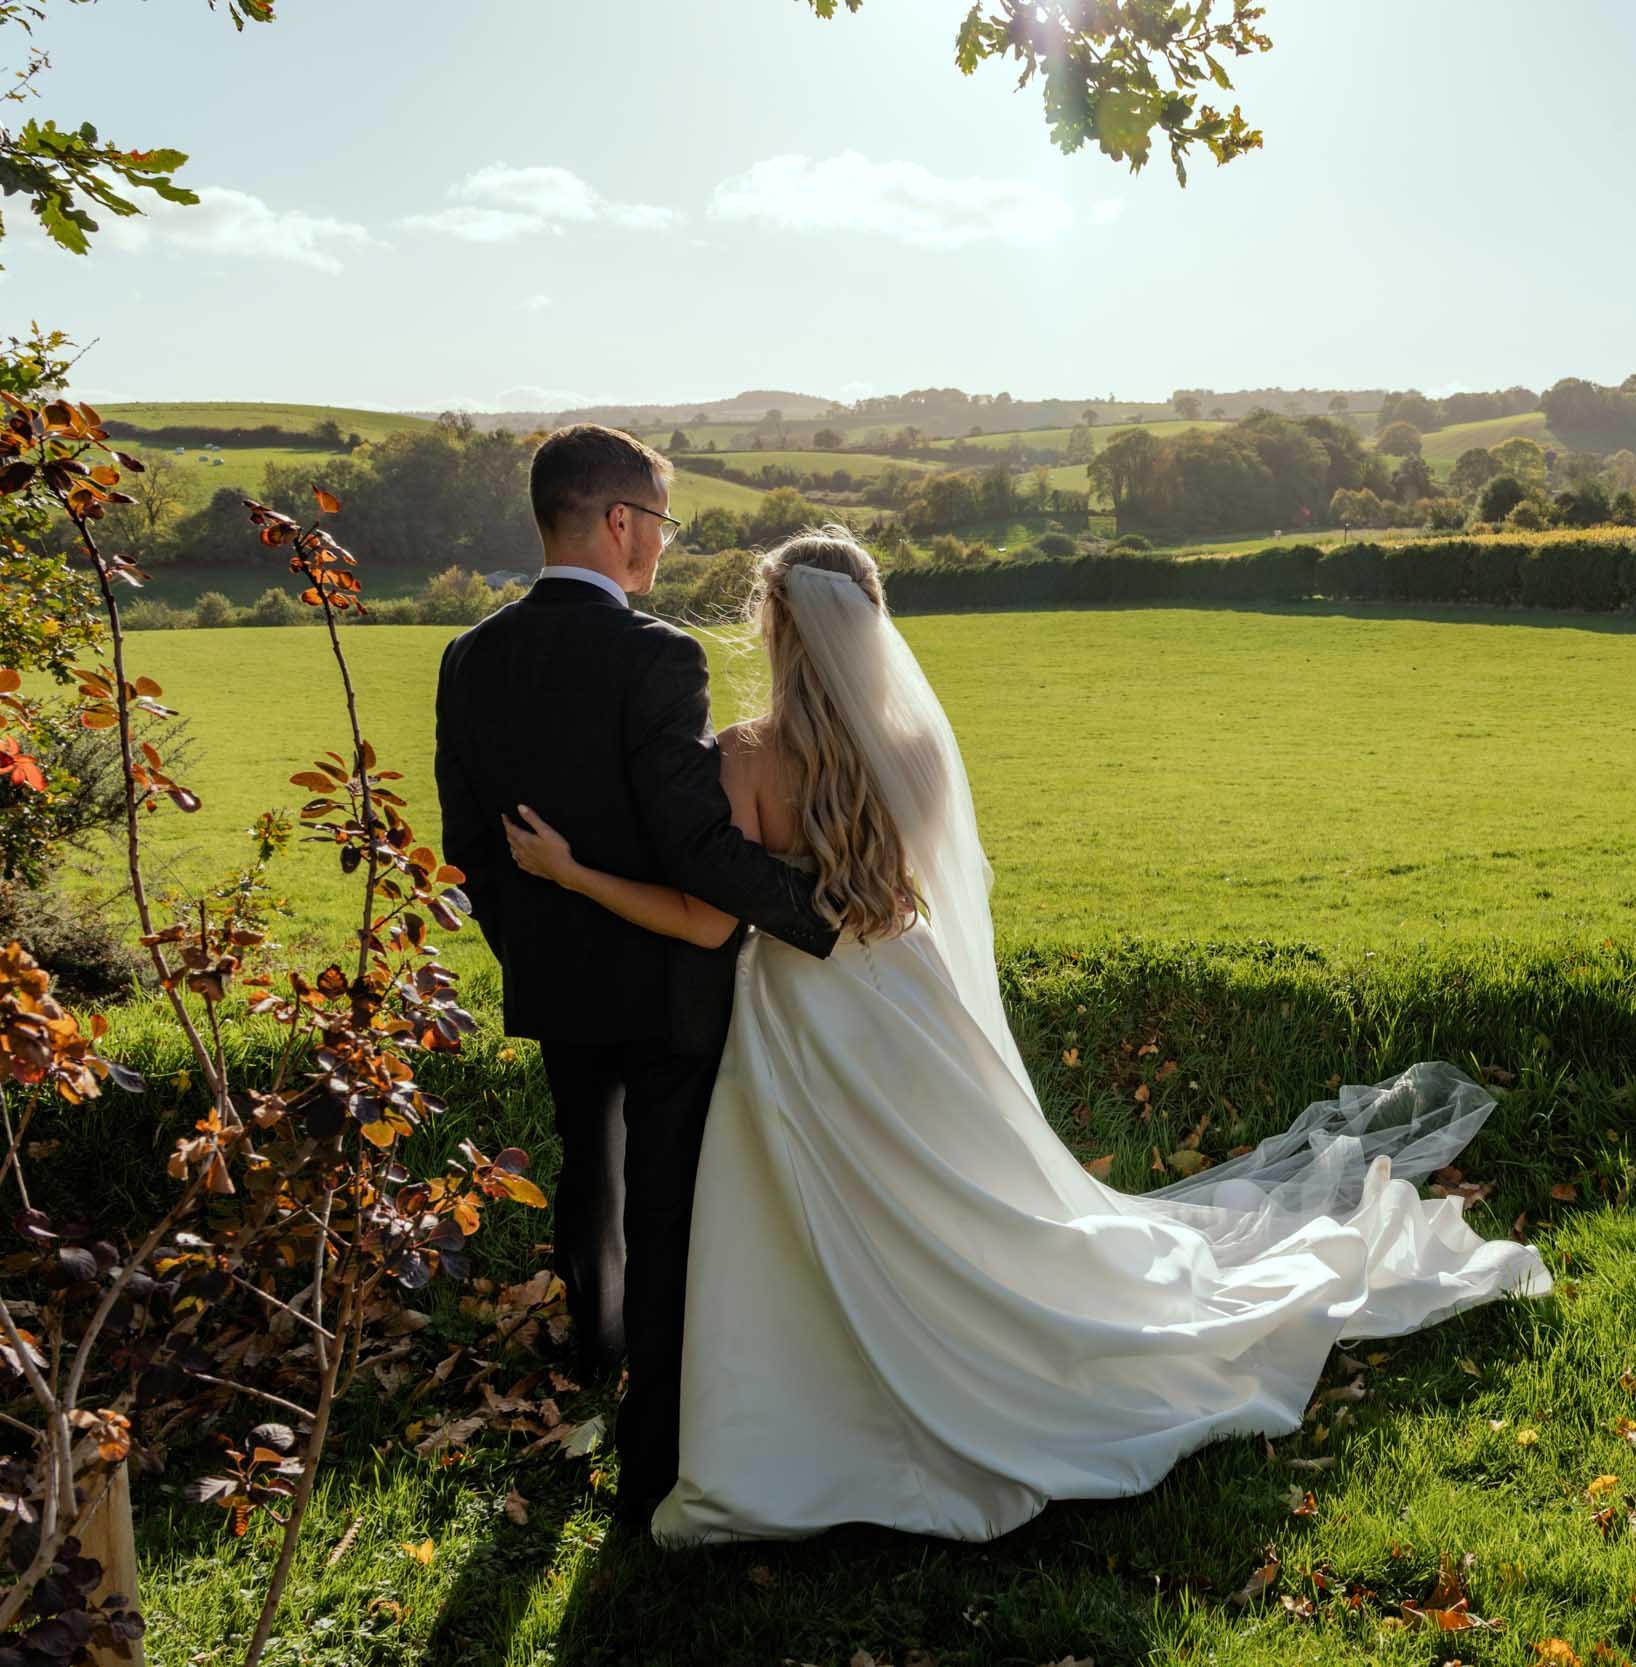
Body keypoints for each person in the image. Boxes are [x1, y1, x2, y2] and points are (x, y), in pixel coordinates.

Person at [500, 525, 1550, 1543]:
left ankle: (817, 1402)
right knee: (957, 1195)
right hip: (909, 1003)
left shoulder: (746, 757)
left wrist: (574, 873)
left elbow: (708, 916)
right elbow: (926, 886)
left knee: (818, 1204)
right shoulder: (913, 745)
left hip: (804, 1015)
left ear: (773, 628)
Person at [431, 425, 839, 1533]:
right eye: (660, 520)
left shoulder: (469, 656)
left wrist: (534, 948)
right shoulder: (660, 657)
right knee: (665, 1207)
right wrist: (827, 915)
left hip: (556, 982)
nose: (660, 542)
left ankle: (588, 1364)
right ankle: (652, 1457)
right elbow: (696, 843)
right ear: (619, 521)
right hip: (670, 981)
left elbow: (466, 848)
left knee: (590, 1180)